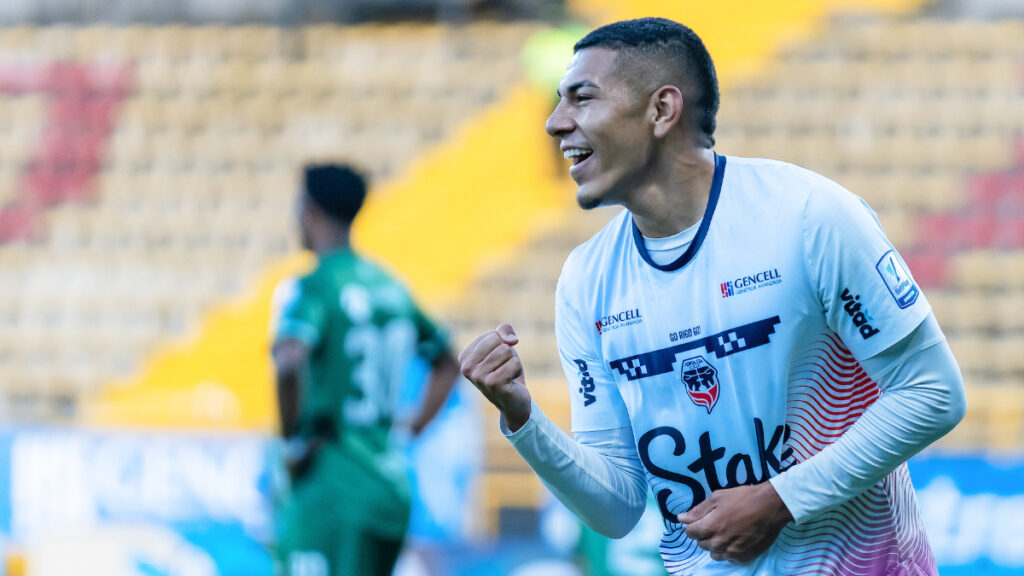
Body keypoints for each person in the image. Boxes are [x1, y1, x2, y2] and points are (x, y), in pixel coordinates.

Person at [458, 17, 966, 576]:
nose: (555, 124)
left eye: (582, 98)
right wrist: (523, 417)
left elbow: (933, 393)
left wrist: (781, 499)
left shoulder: (808, 216)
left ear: (661, 110)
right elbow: (617, 508)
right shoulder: (586, 280)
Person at [271, 164, 460, 576]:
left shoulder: (315, 285)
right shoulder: (390, 286)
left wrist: (290, 445)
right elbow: (448, 361)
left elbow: (288, 363)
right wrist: (412, 427)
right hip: (389, 488)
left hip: (332, 484)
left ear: (311, 211)